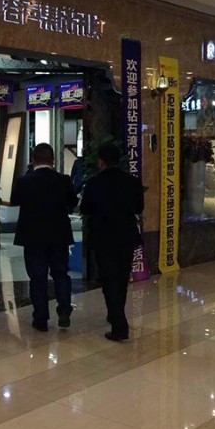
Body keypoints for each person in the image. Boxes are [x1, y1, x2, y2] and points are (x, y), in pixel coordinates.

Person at [11, 143, 78, 331]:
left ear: (33, 160)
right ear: (52, 160)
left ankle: (41, 318)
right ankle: (64, 309)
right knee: (61, 273)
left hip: (33, 237)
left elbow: (15, 200)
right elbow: (72, 202)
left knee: (37, 277)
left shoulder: (24, 181)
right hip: (59, 235)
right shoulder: (63, 180)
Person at [80, 143, 144, 341]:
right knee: (122, 278)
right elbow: (139, 207)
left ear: (100, 161)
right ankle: (115, 313)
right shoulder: (132, 182)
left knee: (109, 279)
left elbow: (85, 208)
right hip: (126, 236)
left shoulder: (94, 183)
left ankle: (119, 325)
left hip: (103, 237)